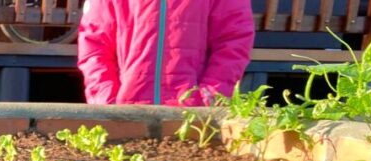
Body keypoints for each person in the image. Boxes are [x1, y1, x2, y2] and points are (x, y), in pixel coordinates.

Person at [77, 0, 255, 106]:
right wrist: (107, 100)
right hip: (124, 116)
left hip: (192, 120)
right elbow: (95, 45)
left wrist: (208, 96)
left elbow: (234, 41)